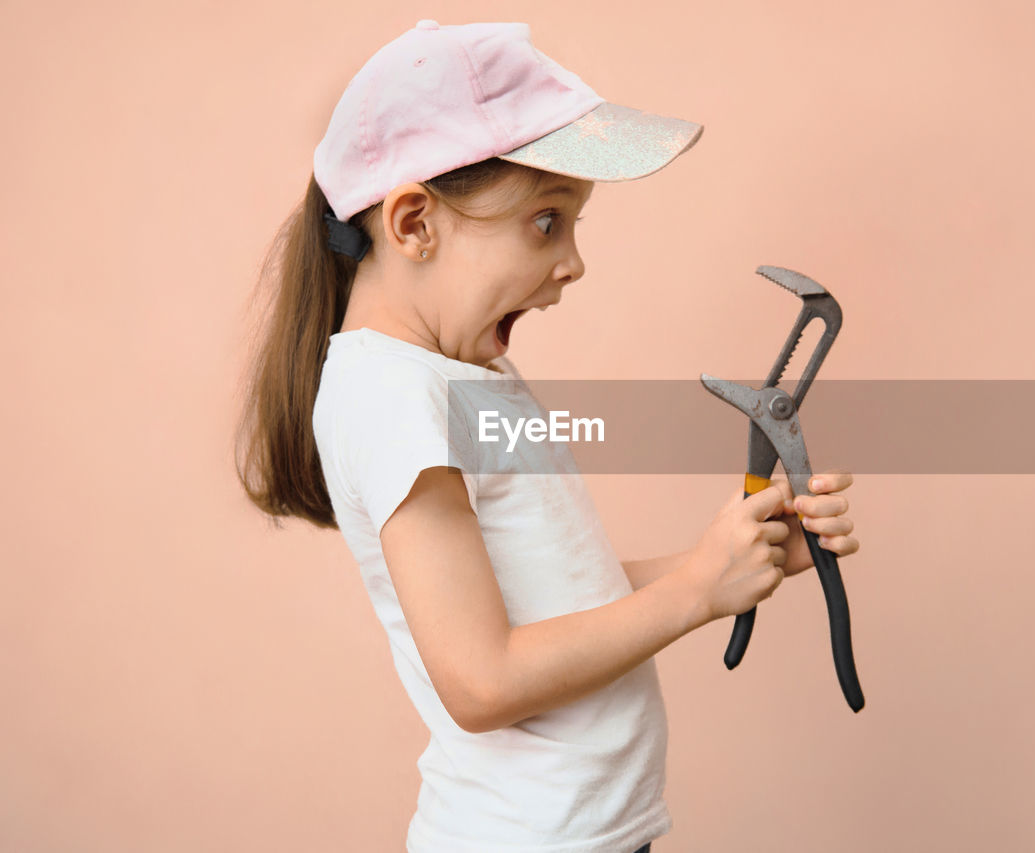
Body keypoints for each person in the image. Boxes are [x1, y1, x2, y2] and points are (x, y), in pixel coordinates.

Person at [236, 19, 859, 853]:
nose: (574, 261)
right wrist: (695, 592)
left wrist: (722, 557)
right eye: (546, 221)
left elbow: (563, 597)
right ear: (415, 222)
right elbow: (482, 680)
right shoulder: (390, 397)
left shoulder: (454, 377)